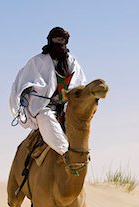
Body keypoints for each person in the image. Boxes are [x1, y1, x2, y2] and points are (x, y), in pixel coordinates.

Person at [9, 27, 86, 156]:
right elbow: (23, 81)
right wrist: (26, 90)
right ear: (50, 41)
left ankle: (82, 153)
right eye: (56, 40)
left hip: (67, 104)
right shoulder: (37, 61)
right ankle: (65, 153)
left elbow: (80, 83)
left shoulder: (72, 62)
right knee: (45, 116)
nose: (59, 43)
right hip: (45, 106)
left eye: (61, 40)